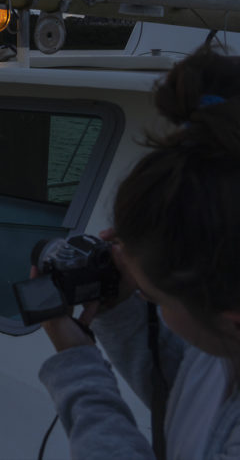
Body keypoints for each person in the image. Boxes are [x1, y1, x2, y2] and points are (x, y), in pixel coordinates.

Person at [36, 47, 240, 458]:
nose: (147, 297)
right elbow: (188, 388)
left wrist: (78, 364)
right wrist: (120, 307)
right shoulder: (221, 348)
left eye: (156, 298)